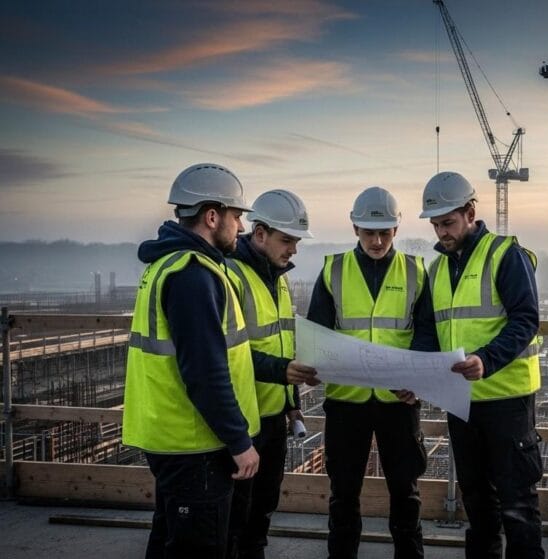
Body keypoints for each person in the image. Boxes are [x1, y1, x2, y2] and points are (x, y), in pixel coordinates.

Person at [122, 163, 261, 558]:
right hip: (195, 444)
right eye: (236, 216)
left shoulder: (167, 265)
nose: (241, 227)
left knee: (170, 542)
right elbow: (204, 372)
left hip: (175, 440)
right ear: (211, 215)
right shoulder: (192, 275)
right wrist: (239, 441)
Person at [306, 186, 436, 559]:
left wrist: (419, 380)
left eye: (384, 233)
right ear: (355, 229)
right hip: (347, 402)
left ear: (396, 229)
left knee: (405, 493)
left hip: (399, 400)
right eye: (368, 232)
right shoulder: (333, 270)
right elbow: (318, 331)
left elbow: (426, 333)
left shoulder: (416, 271)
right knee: (344, 494)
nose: (377, 241)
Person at [419, 171, 544, 558]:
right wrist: (417, 376)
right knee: (477, 501)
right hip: (462, 402)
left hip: (507, 399)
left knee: (517, 503)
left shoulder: (506, 255)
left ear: (470, 213)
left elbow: (526, 318)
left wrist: (486, 360)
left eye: (449, 222)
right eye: (436, 224)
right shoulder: (437, 270)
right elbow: (429, 333)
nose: (442, 232)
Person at [224, 189, 320, 559]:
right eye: (287, 240)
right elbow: (227, 354)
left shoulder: (277, 279)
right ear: (259, 233)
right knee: (236, 516)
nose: (293, 249)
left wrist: (292, 402)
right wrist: (282, 372)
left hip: (273, 417)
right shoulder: (231, 276)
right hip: (242, 419)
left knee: (262, 510)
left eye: (296, 241)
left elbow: (280, 347)